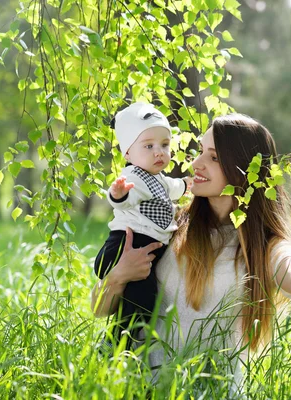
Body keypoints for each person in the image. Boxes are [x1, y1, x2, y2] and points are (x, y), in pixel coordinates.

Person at [91, 113, 291, 391]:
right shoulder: (169, 224)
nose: (195, 163)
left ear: (243, 168)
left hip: (212, 392)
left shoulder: (264, 245)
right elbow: (99, 308)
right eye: (200, 151)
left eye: (213, 157)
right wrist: (117, 277)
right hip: (138, 388)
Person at [94, 102, 192, 350]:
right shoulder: (134, 178)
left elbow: (175, 186)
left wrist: (188, 184)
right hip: (124, 246)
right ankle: (117, 344)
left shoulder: (159, 179)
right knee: (141, 302)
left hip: (142, 250)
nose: (159, 152)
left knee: (141, 303)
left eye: (164, 145)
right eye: (148, 146)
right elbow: (124, 198)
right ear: (127, 153)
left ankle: (122, 343)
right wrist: (118, 194)